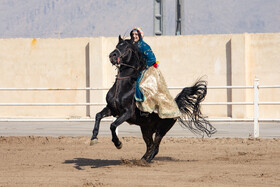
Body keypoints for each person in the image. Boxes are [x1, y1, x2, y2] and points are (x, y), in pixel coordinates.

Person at [130, 27, 181, 119]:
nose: (134, 36)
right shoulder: (132, 45)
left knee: (143, 86)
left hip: (146, 69)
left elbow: (152, 59)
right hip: (135, 69)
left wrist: (143, 66)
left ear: (140, 35)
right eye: (133, 35)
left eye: (136, 34)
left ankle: (145, 109)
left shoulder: (144, 46)